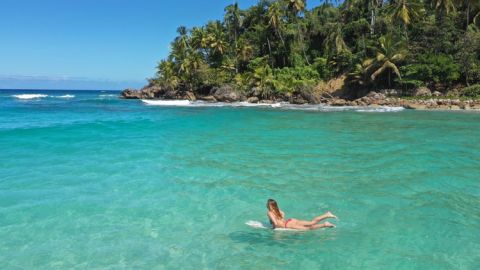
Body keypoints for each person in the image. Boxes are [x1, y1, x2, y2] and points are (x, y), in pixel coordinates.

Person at [267, 199, 337, 230]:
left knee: (308, 228)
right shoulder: (278, 210)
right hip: (291, 220)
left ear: (269, 206)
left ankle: (325, 224)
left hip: (287, 225)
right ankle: (327, 214)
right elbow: (283, 214)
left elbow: (275, 223)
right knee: (311, 222)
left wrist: (273, 229)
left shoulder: (269, 212)